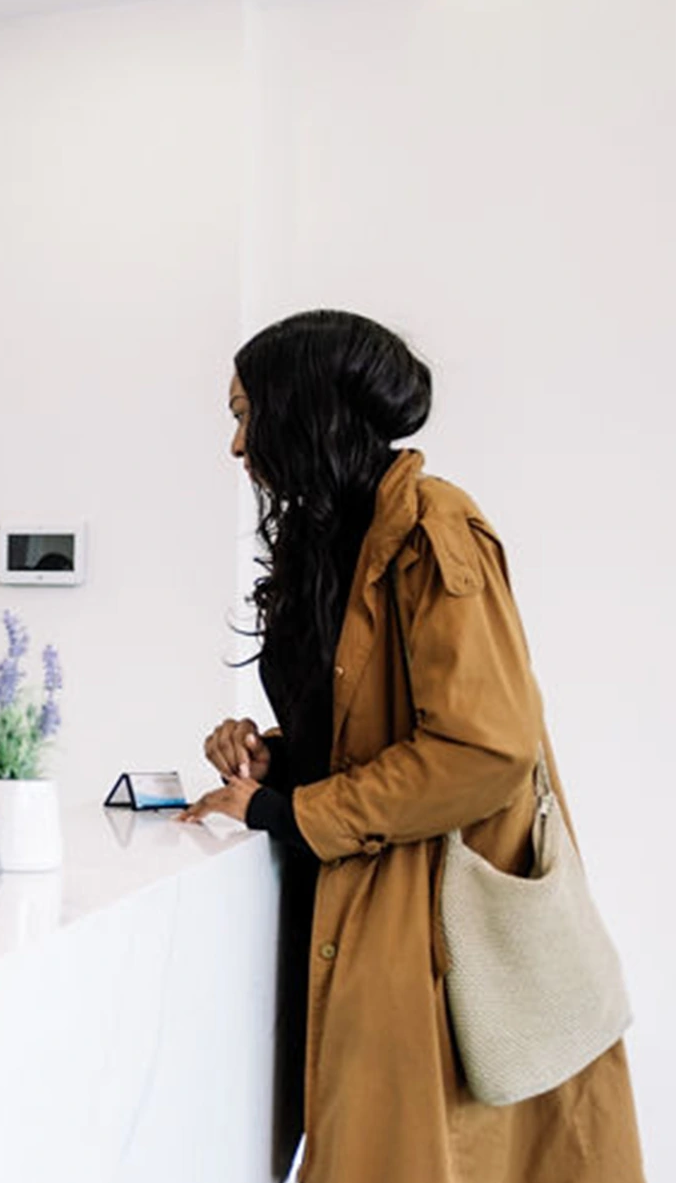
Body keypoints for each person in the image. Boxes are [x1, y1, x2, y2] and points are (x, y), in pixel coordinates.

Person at [182, 310, 642, 1182]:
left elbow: (483, 746)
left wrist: (292, 809)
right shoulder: (331, 536)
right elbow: (370, 717)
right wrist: (278, 753)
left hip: (434, 915)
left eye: (249, 413)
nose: (238, 446)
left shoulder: (431, 529)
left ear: (304, 409)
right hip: (377, 897)